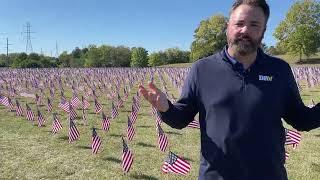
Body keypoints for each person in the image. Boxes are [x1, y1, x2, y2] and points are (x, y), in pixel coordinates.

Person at [139, 0, 320, 179]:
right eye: (239, 23)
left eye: (254, 24)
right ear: (228, 27)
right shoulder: (202, 69)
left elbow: (302, 119)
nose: (245, 30)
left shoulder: (279, 69)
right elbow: (181, 118)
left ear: (264, 31)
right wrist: (166, 109)